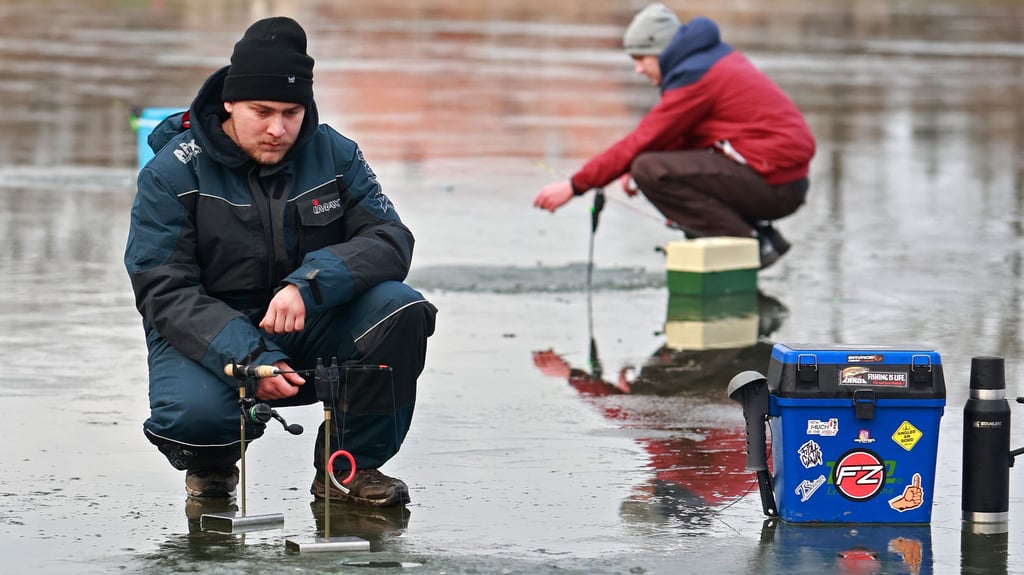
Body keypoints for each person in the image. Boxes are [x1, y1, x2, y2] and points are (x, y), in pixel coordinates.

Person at [124, 16, 437, 508]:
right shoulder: (171, 173)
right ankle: (212, 462)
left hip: (308, 323)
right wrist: (251, 358)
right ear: (229, 103)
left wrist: (309, 284)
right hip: (210, 336)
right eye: (262, 111)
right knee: (193, 421)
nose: (278, 129)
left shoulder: (335, 153)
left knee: (401, 309)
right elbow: (164, 289)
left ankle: (347, 467)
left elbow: (389, 239)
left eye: (292, 112)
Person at [533, 3, 815, 268]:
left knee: (649, 169)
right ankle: (757, 237)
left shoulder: (698, 77)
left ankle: (749, 243)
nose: (638, 69)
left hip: (776, 187)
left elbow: (643, 139)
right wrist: (627, 168)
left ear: (661, 51)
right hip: (782, 183)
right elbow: (679, 136)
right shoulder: (707, 62)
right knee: (647, 165)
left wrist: (574, 185)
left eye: (641, 58)